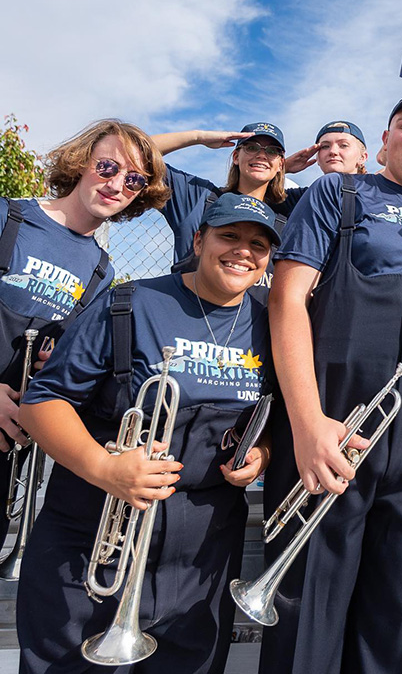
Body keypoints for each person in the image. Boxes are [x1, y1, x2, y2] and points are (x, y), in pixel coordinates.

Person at [16, 192, 281, 674]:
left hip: (202, 552)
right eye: (229, 236)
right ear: (198, 239)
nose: (244, 250)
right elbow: (43, 401)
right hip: (93, 535)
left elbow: (275, 416)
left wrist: (262, 449)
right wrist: (105, 468)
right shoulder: (128, 303)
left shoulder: (273, 323)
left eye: (259, 244)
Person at [260, 88, 402, 674]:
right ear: (383, 144)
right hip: (329, 429)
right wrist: (305, 425)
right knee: (309, 606)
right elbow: (286, 300)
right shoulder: (339, 193)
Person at [0, 119, 170, 549]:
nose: (117, 185)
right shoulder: (8, 217)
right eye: (108, 167)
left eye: (134, 180)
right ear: (81, 162)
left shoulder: (102, 270)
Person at [151, 124, 316, 292]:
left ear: (281, 163)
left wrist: (273, 167)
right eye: (252, 148)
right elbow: (133, 153)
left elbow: (339, 189)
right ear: (236, 157)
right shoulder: (200, 199)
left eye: (272, 151)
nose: (261, 155)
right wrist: (198, 137)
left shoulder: (288, 214)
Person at [276, 120, 370, 216]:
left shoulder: (376, 195)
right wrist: (283, 167)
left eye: (343, 145)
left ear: (362, 157)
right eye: (325, 146)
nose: (333, 151)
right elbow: (263, 197)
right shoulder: (304, 198)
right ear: (317, 157)